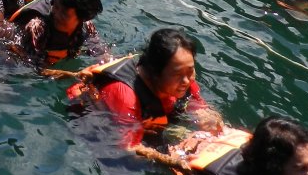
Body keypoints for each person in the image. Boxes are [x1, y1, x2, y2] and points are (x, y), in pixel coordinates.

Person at [71, 28, 220, 153]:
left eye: (190, 70)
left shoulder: (185, 79)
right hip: (97, 122)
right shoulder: (126, 96)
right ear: (155, 72)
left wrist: (210, 122)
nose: (186, 81)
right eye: (177, 74)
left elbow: (198, 106)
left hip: (151, 115)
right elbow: (128, 148)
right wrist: (173, 159)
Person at [172, 115, 308, 175]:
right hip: (186, 150)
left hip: (221, 139)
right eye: (301, 169)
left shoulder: (305, 168)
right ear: (273, 170)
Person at [10, 0, 110, 68]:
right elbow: (34, 68)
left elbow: (100, 52)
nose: (56, 13)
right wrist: (75, 75)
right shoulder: (37, 28)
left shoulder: (86, 27)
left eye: (64, 14)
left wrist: (106, 65)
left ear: (81, 18)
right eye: (56, 6)